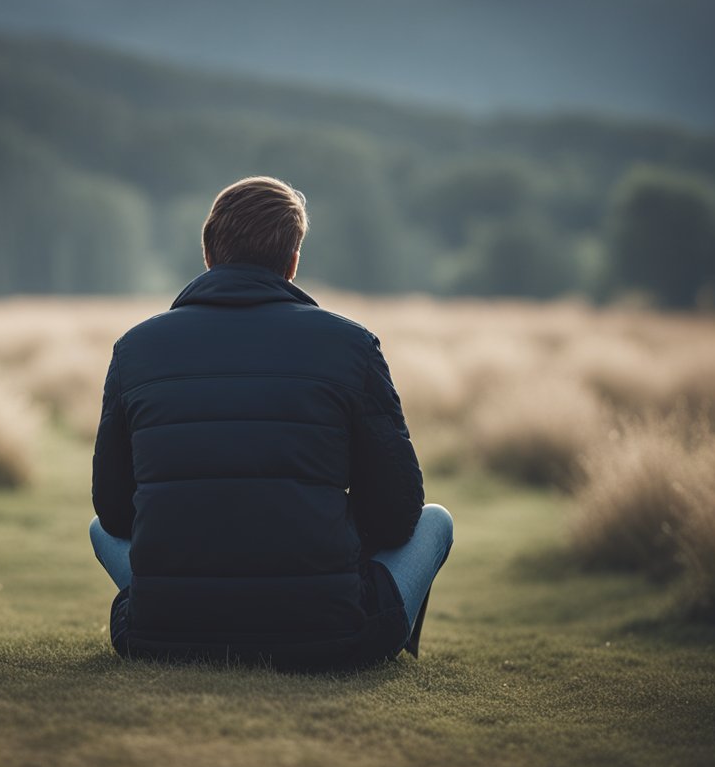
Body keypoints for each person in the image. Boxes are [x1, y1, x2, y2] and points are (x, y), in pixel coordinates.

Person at [89, 176, 453, 671]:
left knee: (97, 530)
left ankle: (179, 612)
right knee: (435, 521)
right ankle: (388, 657)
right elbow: (398, 513)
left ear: (209, 253)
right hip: (329, 633)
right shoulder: (350, 346)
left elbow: (113, 514)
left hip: (163, 633)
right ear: (292, 262)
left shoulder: (135, 348)